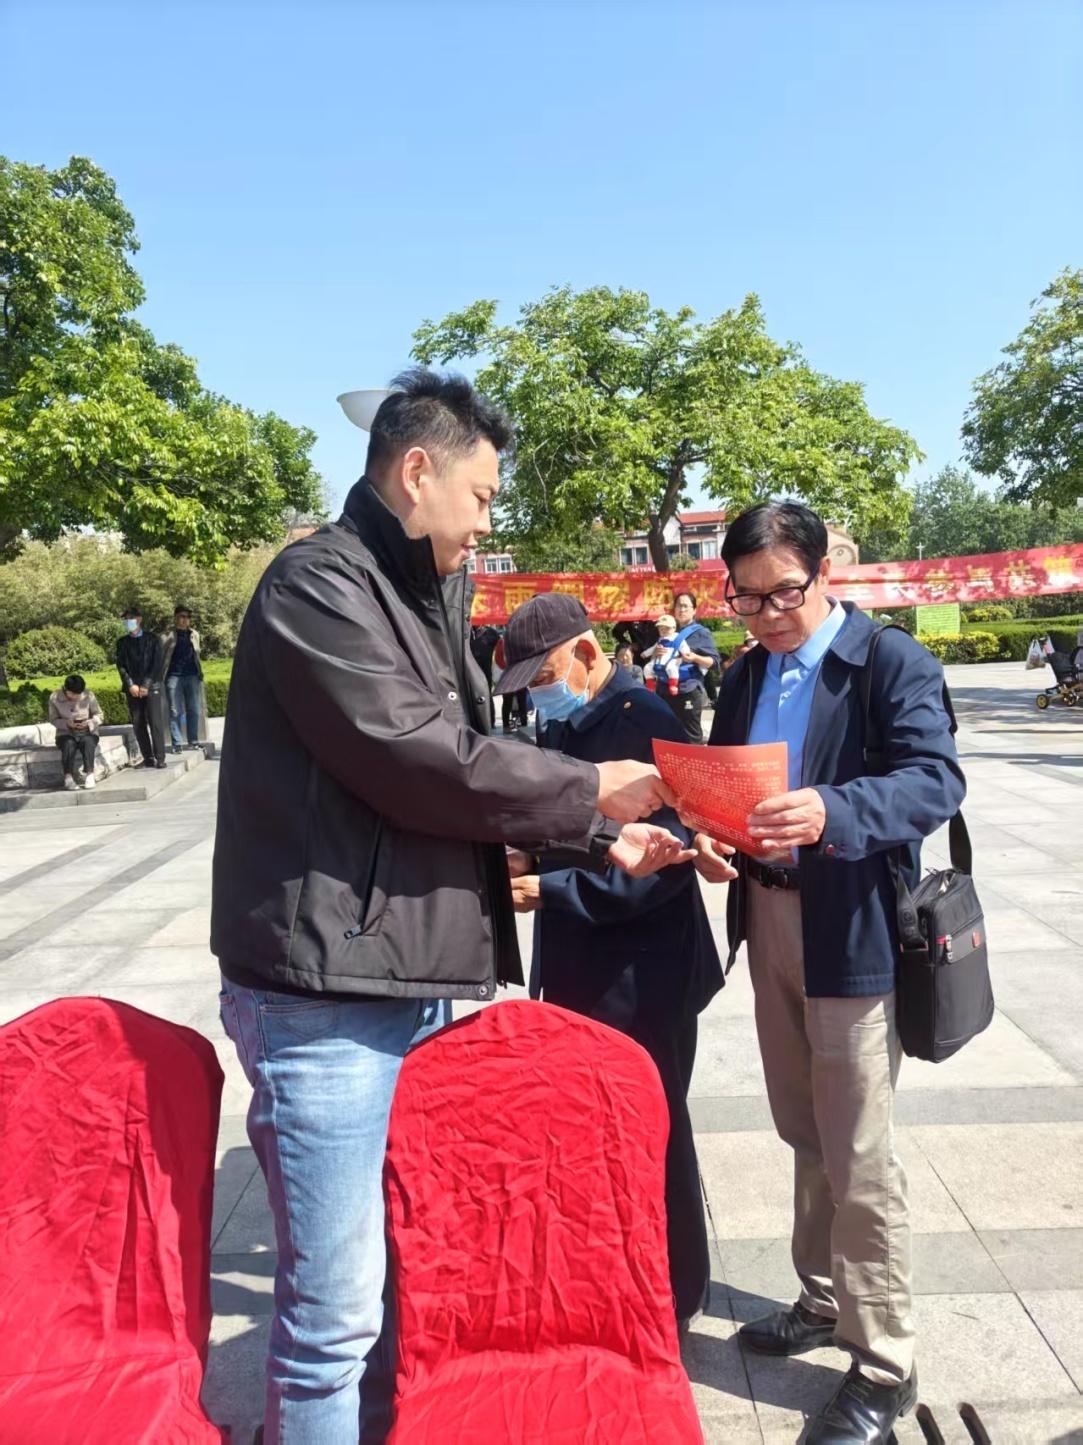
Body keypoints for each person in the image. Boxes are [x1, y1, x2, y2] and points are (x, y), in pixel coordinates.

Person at [210, 368, 684, 1445]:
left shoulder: (419, 596)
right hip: (325, 997)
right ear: (416, 471)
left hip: (402, 972)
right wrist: (588, 788)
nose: (486, 522)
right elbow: (416, 757)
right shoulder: (318, 585)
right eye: (480, 495)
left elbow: (466, 766)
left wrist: (603, 833)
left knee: (404, 1279)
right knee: (332, 1315)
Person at [690, 501, 965, 1445]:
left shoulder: (887, 661)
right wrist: (712, 836)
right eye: (745, 597)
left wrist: (832, 810)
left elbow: (934, 780)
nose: (766, 614)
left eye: (782, 593)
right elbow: (725, 782)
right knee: (803, 1125)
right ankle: (819, 1298)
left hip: (851, 925)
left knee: (858, 1149)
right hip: (768, 913)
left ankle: (884, 1362)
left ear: (822, 573)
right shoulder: (744, 672)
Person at [495, 592, 732, 1325]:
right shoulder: (569, 720)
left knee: (654, 1132)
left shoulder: (642, 721)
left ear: (588, 654)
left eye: (545, 677)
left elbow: (663, 863)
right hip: (584, 964)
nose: (540, 695)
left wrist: (547, 888)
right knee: (595, 1136)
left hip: (641, 973)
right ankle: (611, 1280)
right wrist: (527, 854)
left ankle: (673, 1294)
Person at [650, 590, 719, 743]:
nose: (682, 610)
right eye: (678, 606)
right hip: (664, 689)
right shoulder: (666, 630)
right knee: (666, 733)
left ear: (694, 610)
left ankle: (693, 759)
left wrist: (695, 657)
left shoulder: (701, 633)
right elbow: (654, 660)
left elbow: (714, 662)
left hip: (687, 690)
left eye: (686, 606)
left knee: (690, 737)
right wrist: (655, 654)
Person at [116, 607, 166, 769]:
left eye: (130, 618)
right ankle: (148, 758)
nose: (127, 622)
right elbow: (121, 666)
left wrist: (146, 684)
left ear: (139, 619)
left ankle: (160, 757)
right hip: (133, 689)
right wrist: (130, 684)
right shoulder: (122, 643)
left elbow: (157, 663)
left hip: (152, 686)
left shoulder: (152, 639)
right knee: (138, 723)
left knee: (155, 722)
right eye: (125, 619)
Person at [160, 606, 207, 753]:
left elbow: (197, 655)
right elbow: (161, 657)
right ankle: (177, 744)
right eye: (182, 616)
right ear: (175, 617)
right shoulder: (166, 636)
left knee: (193, 710)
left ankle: (193, 741)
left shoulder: (194, 634)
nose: (185, 619)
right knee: (175, 711)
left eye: (188, 617)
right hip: (174, 676)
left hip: (192, 675)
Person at [48, 674, 103, 791]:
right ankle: (68, 778)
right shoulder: (54, 698)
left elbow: (99, 715)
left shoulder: (89, 695)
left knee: (88, 742)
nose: (75, 697)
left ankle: (90, 775)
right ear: (66, 689)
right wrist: (67, 724)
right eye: (72, 694)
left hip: (87, 731)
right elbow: (53, 719)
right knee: (68, 744)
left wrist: (89, 723)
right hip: (65, 733)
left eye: (77, 694)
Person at [641, 613, 684, 694]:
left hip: (673, 659)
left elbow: (684, 647)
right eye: (661, 629)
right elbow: (653, 648)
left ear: (674, 628)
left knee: (671, 668)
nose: (664, 631)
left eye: (667, 628)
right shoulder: (660, 640)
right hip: (659, 660)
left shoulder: (678, 639)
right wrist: (646, 653)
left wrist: (686, 653)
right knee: (647, 667)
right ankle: (650, 685)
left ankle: (673, 685)